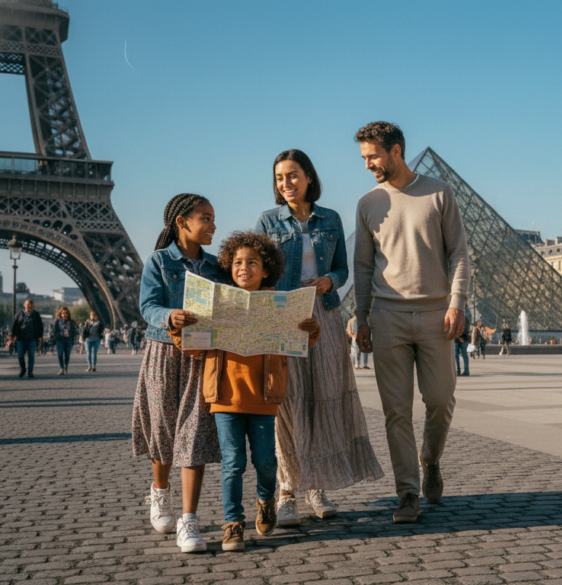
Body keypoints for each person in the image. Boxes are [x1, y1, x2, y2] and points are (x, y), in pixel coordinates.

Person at [256, 148, 383, 526]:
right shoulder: (267, 220)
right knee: (287, 404)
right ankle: (286, 491)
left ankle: (316, 486)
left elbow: (343, 268)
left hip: (324, 316)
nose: (286, 184)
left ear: (309, 177)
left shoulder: (331, 219)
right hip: (283, 316)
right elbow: (257, 270)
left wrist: (331, 280)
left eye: (293, 175)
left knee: (322, 401)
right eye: (279, 178)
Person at [173, 231, 321, 551]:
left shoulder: (280, 305)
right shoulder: (217, 304)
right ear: (229, 267)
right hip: (224, 395)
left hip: (265, 396)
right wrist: (179, 329)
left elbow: (300, 341)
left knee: (266, 462)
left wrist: (311, 330)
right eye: (237, 262)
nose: (244, 268)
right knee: (233, 463)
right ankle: (233, 522)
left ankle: (266, 498)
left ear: (265, 269)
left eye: (252, 262)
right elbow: (193, 349)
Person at [353, 122, 468, 523]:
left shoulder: (439, 191)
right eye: (364, 158)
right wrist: (360, 318)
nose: (368, 165)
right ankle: (407, 492)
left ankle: (430, 460)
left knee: (440, 400)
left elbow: (459, 254)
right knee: (396, 411)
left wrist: (458, 302)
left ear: (396, 151)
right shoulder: (368, 203)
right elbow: (363, 266)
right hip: (387, 316)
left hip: (438, 314)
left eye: (373, 156)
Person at [132, 193, 223, 553]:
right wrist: (169, 315)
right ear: (182, 222)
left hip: (201, 357)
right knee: (163, 429)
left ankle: (189, 520)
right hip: (164, 352)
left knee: (194, 435)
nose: (213, 225)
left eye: (214, 218)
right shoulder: (158, 261)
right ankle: (159, 492)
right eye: (206, 218)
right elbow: (147, 305)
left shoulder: (218, 266)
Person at [11, 299, 43, 379]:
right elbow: (15, 326)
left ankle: (30, 372)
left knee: (31, 356)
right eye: (28, 304)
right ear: (24, 305)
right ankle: (23, 369)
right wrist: (13, 336)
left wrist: (40, 336)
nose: (29, 306)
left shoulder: (36, 315)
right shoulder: (19, 314)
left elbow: (40, 326)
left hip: (32, 339)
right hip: (20, 339)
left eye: (31, 304)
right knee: (20, 355)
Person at [51, 306, 78, 376]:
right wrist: (57, 336)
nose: (65, 314)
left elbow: (74, 331)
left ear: (68, 314)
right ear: (61, 314)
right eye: (63, 313)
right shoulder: (57, 322)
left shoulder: (71, 322)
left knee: (67, 355)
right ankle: (62, 368)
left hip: (68, 340)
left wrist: (71, 335)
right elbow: (55, 331)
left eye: (66, 313)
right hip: (60, 340)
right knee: (60, 354)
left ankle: (66, 367)